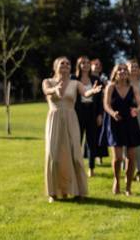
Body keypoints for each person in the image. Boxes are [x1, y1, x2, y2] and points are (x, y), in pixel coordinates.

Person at [42, 57, 101, 202]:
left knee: (75, 155)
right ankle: (53, 193)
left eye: (68, 64)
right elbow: (47, 91)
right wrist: (55, 89)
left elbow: (85, 93)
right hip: (54, 119)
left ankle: (79, 191)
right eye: (62, 63)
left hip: (71, 119)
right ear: (55, 66)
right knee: (53, 156)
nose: (66, 66)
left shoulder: (75, 83)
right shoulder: (47, 81)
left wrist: (91, 91)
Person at [101, 63, 140, 195]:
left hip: (130, 122)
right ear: (115, 73)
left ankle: (128, 186)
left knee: (131, 157)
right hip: (115, 122)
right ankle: (116, 181)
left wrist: (136, 110)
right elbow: (106, 104)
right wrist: (112, 113)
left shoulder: (133, 87)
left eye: (125, 70)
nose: (122, 71)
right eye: (119, 69)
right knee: (117, 158)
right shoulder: (110, 86)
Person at [74, 56, 104, 177]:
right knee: (77, 141)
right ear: (79, 65)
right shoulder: (73, 79)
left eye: (87, 63)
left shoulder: (96, 79)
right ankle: (77, 167)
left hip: (92, 113)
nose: (85, 65)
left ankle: (91, 168)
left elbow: (100, 100)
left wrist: (100, 114)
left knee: (92, 142)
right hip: (77, 113)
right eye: (83, 63)